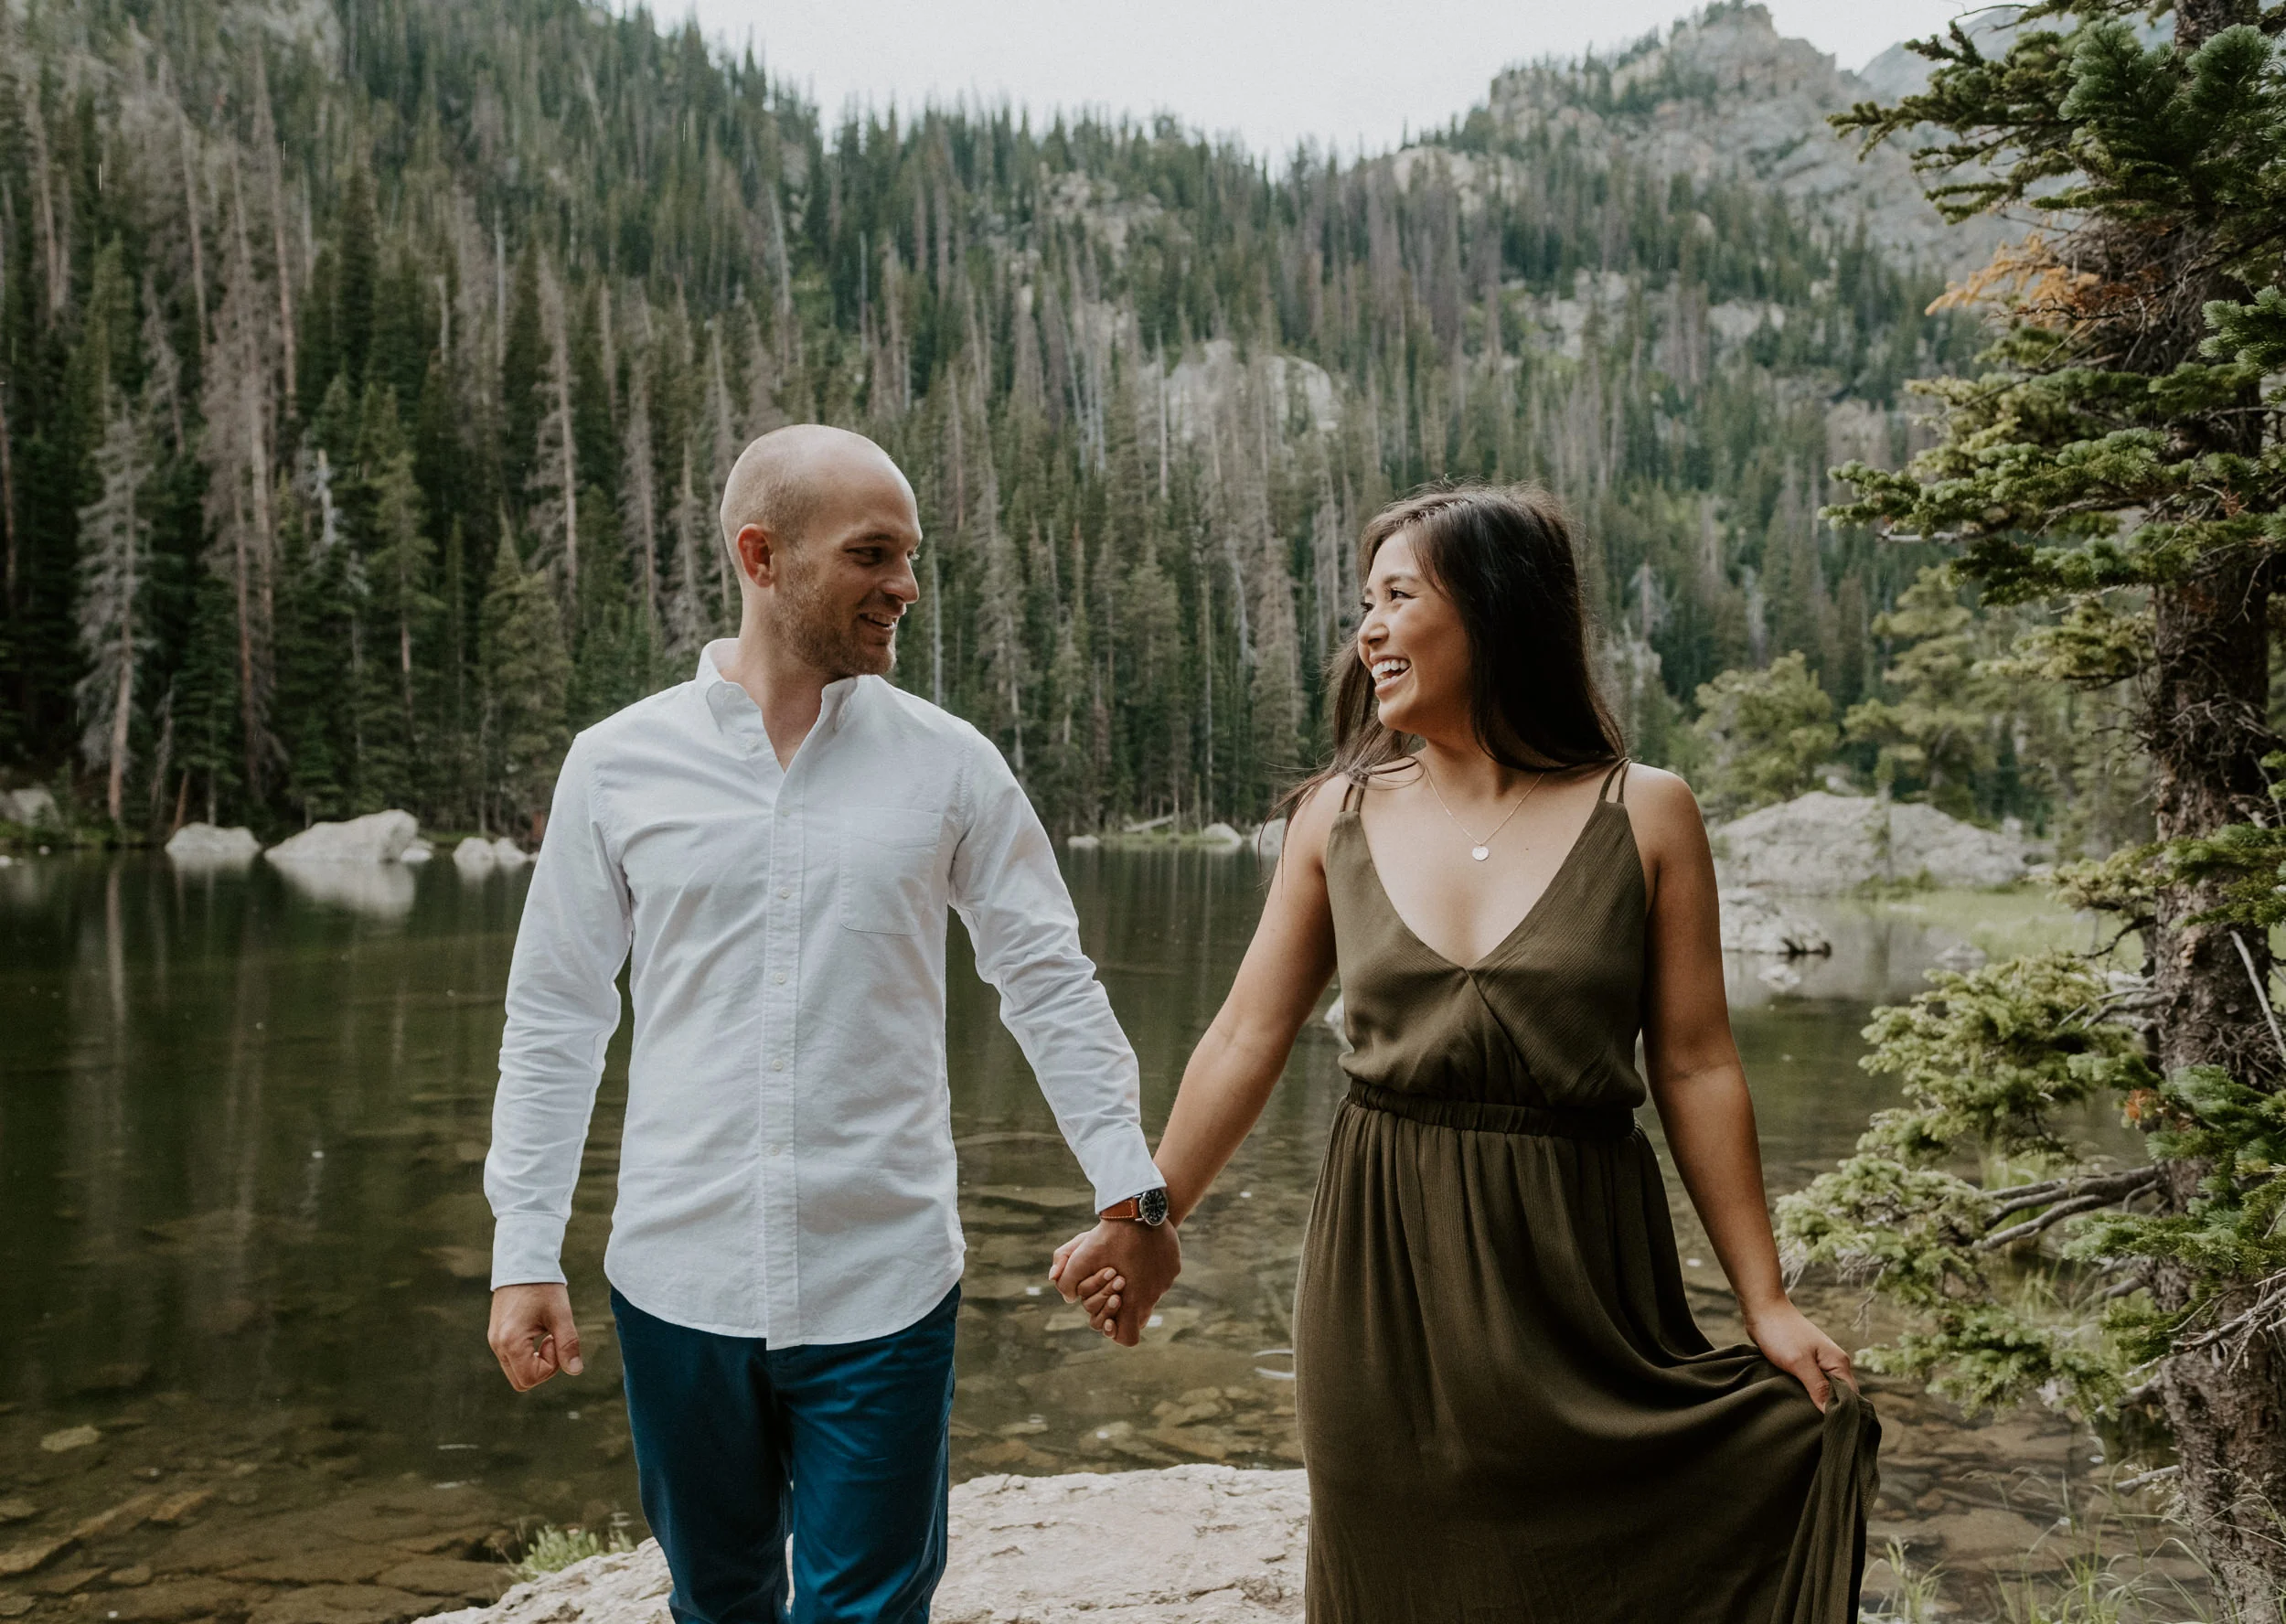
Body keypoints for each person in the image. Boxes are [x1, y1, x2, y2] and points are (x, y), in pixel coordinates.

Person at [1052, 485, 1879, 1622]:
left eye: (1399, 597)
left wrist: (1766, 1301)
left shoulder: (1646, 814)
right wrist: (1148, 1215)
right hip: (1380, 1274)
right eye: (1364, 603)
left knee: (1643, 1536)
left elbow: (1694, 1066)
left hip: (1580, 1276)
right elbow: (1244, 1035)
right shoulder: (1334, 816)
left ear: (1495, 612)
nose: (1368, 629)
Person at [482, 424, 1178, 1624]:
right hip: (675, 1280)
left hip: (884, 1288)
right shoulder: (617, 766)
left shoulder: (951, 767)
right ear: (762, 556)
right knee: (720, 1603)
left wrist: (1131, 1193)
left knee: (866, 1612)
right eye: (873, 555)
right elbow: (557, 1015)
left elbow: (1048, 980)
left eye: (912, 557)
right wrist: (524, 1251)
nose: (906, 585)